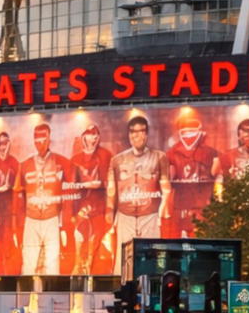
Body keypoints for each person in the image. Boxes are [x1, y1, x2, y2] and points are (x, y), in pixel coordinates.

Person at [105, 115, 172, 263]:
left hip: (150, 215)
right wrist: (110, 212)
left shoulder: (159, 157)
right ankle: (122, 285)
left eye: (141, 131)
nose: (137, 135)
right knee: (123, 260)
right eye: (133, 132)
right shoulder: (117, 160)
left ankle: (153, 284)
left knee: (152, 256)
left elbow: (166, 188)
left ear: (146, 134)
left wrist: (162, 214)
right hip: (125, 215)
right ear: (129, 135)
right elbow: (111, 190)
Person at [19, 121, 71, 277]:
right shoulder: (25, 165)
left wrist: (65, 224)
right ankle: (25, 301)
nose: (40, 142)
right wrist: (18, 223)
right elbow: (18, 195)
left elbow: (69, 194)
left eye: (43, 138)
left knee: (52, 264)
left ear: (49, 139)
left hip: (52, 218)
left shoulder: (61, 162)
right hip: (31, 219)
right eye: (37, 138)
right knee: (28, 264)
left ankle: (52, 301)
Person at [166, 111, 222, 237]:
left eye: (191, 130)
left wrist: (217, 202)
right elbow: (169, 179)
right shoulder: (172, 153)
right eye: (185, 131)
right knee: (181, 242)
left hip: (203, 206)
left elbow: (217, 177)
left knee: (201, 240)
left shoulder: (211, 153)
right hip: (181, 206)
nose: (188, 134)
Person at [67, 123, 113, 275]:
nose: (91, 137)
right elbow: (71, 188)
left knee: (95, 243)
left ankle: (90, 268)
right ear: (83, 137)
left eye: (94, 134)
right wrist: (73, 214)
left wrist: (109, 210)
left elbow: (110, 184)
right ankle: (78, 267)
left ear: (98, 137)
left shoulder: (106, 155)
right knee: (78, 237)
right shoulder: (75, 159)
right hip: (82, 207)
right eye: (88, 134)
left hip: (100, 208)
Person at [0, 130, 21, 275]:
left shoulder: (14, 162)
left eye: (6, 143)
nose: (3, 147)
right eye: (1, 143)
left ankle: (12, 273)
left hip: (12, 213)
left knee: (11, 245)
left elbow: (18, 187)